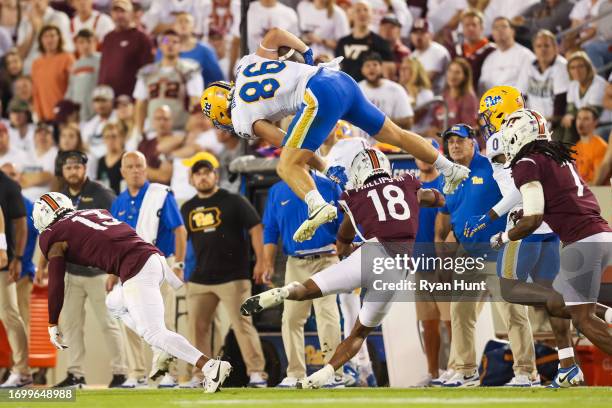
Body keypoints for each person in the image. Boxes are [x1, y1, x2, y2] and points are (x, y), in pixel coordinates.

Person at [201, 27, 470, 244]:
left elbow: (286, 143)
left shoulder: (241, 118)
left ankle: (316, 206)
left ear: (222, 115)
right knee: (395, 134)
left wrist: (322, 168)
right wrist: (306, 53)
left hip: (317, 95)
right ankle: (449, 168)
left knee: (286, 165)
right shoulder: (245, 66)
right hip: (337, 78)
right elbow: (274, 35)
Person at [241, 148, 445, 388]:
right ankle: (326, 373)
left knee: (306, 290)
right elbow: (438, 199)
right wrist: (420, 195)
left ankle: (284, 292)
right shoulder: (408, 184)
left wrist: (351, 243)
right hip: (396, 267)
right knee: (359, 333)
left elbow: (343, 241)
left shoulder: (355, 195)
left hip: (369, 254)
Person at [31, 191, 231, 393]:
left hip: (136, 267)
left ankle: (210, 366)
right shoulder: (93, 212)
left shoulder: (52, 234)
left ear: (43, 215)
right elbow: (111, 240)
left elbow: (56, 280)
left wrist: (53, 321)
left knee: (154, 332)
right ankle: (161, 349)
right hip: (152, 258)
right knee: (114, 303)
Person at [469, 87, 579, 386]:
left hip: (525, 220)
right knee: (547, 294)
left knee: (511, 290)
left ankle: (594, 312)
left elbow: (520, 185)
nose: (487, 122)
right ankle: (568, 364)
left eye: (488, 114)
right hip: (549, 223)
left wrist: (493, 217)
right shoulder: (535, 127)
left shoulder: (500, 138)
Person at [496, 108, 612, 386]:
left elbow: (534, 216)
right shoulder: (555, 156)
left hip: (582, 240)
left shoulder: (527, 162)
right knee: (560, 304)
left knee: (582, 319)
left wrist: (504, 237)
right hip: (601, 234)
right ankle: (571, 365)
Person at [433, 123, 537, 387]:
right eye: (450, 141)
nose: (454, 145)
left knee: (513, 312)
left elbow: (517, 194)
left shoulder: (493, 165)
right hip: (467, 253)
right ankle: (466, 370)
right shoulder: (447, 176)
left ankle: (526, 372)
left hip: (498, 249)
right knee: (460, 313)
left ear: (473, 142)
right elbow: (448, 217)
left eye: (460, 140)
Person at [39, 151, 127, 388]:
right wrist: (41, 264)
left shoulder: (102, 194)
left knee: (109, 323)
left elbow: (117, 229)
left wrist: (114, 269)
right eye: (68, 168)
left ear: (85, 169)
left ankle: (121, 372)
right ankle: (75, 373)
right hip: (70, 272)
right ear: (63, 171)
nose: (73, 171)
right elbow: (48, 232)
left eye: (77, 167)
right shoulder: (59, 197)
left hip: (99, 272)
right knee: (71, 325)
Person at [180, 158, 268, 388]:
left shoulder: (234, 201)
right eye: (197, 174)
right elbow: (185, 242)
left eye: (207, 173)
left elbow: (256, 227)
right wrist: (182, 269)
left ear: (215, 176)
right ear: (191, 179)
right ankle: (201, 376)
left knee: (243, 325)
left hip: (234, 277)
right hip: (199, 278)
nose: (202, 177)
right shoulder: (187, 207)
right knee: (197, 330)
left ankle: (257, 373)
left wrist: (261, 260)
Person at [111, 151, 187, 388]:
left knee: (161, 320)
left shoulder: (160, 195)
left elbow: (180, 231)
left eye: (139, 166)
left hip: (158, 264)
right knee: (127, 318)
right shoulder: (118, 202)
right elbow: (112, 241)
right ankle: (136, 372)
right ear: (122, 172)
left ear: (145, 169)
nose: (135, 170)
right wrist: (111, 273)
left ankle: (168, 372)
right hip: (127, 269)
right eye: (130, 166)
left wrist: (179, 264)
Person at [262, 170, 344, 388]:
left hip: (327, 259)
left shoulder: (328, 186)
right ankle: (295, 373)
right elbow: (270, 230)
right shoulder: (276, 191)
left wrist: (345, 249)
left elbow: (346, 220)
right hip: (295, 262)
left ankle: (333, 372)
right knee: (290, 318)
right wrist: (268, 263)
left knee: (327, 314)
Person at [413, 138, 451, 386]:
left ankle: (457, 369)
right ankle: (433, 372)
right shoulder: (409, 187)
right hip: (419, 263)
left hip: (444, 264)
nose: (424, 157)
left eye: (429, 152)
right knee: (428, 323)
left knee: (450, 320)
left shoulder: (446, 184)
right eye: (420, 152)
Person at [134, 29, 202, 135]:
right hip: (153, 131)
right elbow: (140, 104)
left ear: (180, 46)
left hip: (179, 130)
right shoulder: (146, 72)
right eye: (166, 41)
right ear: (160, 46)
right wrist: (139, 130)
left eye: (175, 42)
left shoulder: (189, 70)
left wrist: (190, 129)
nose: (170, 45)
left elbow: (196, 102)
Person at [0, 165, 29, 388]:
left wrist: (16, 257)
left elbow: (20, 225)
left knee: (10, 315)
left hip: (2, 263)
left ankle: (22, 371)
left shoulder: (8, 185)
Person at [98, 0, 153, 98]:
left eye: (123, 11)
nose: (119, 15)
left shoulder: (141, 38)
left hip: (130, 96)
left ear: (131, 14)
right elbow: (103, 66)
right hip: (108, 96)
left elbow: (147, 69)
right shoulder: (108, 37)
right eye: (116, 11)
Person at [516, 30, 569, 127]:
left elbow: (561, 101)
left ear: (555, 48)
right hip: (533, 124)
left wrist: (551, 128)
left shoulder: (562, 66)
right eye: (539, 46)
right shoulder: (529, 65)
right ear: (534, 49)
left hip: (555, 123)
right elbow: (521, 96)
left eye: (546, 46)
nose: (543, 49)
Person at [160, 12, 224, 88]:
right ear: (173, 26)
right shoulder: (163, 49)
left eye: (187, 21)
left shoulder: (205, 50)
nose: (183, 24)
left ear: (194, 27)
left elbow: (219, 81)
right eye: (180, 21)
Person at [334, 1, 394, 82]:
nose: (362, 13)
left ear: (372, 14)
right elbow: (337, 69)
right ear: (351, 15)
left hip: (370, 91)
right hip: (346, 88)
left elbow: (389, 74)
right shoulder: (342, 42)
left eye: (366, 10)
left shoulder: (381, 43)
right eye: (358, 10)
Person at [559, 51, 607, 144]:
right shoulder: (573, 84)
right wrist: (570, 114)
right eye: (572, 68)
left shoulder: (599, 84)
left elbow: (592, 113)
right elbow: (571, 109)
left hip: (602, 123)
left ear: (588, 68)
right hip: (584, 120)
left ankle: (567, 157)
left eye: (581, 66)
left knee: (573, 125)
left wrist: (572, 115)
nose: (577, 71)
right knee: (562, 126)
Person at [478, 16, 535, 94]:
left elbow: (525, 86)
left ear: (512, 31)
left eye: (504, 27)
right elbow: (483, 85)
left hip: (516, 102)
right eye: (496, 28)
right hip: (493, 103)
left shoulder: (526, 55)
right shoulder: (489, 59)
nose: (500, 30)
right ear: (492, 34)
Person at [358, 52, 414, 131]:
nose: (371, 68)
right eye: (367, 65)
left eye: (375, 64)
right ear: (362, 70)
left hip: (388, 142)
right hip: (360, 141)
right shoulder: (357, 89)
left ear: (381, 68)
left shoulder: (396, 89)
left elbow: (408, 122)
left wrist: (381, 122)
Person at [16, 0, 73, 74]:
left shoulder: (59, 17)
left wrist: (39, 27)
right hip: (28, 70)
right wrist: (32, 31)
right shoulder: (25, 21)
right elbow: (20, 54)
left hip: (53, 69)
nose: (36, 2)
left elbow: (61, 47)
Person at [31, 25, 75, 121]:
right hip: (43, 116)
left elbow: (73, 86)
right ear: (41, 40)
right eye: (46, 36)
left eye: (52, 36)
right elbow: (35, 91)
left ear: (59, 38)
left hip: (63, 115)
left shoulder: (67, 58)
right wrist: (37, 113)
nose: (49, 40)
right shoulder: (36, 63)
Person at [429, 58, 478, 137]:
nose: (452, 75)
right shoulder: (444, 95)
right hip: (440, 139)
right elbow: (434, 124)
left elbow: (466, 129)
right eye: (450, 71)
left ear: (465, 76)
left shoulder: (468, 98)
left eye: (457, 72)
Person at [449, 9, 496, 90]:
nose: (470, 28)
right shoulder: (457, 50)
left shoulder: (492, 50)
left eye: (474, 25)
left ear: (482, 27)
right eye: (467, 25)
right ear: (462, 29)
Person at [65, 28, 100, 122]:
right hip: (79, 115)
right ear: (76, 45)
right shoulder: (75, 65)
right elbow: (71, 89)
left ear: (95, 42)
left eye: (89, 41)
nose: (86, 45)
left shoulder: (103, 60)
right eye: (81, 42)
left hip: (97, 112)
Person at [410, 18, 451, 93]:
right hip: (419, 95)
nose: (418, 36)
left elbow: (427, 79)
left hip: (437, 97)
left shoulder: (438, 51)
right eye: (415, 33)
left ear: (431, 35)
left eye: (422, 32)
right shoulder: (413, 55)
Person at [399, 57, 434, 134]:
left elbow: (412, 121)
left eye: (406, 68)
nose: (402, 71)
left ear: (415, 71)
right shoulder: (401, 91)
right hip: (404, 135)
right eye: (401, 68)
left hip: (421, 136)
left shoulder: (426, 93)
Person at [573, 106, 608, 184]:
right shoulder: (574, 148)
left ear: (595, 122)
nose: (581, 122)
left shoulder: (601, 146)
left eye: (586, 119)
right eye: (579, 118)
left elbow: (597, 180)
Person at [80, 85, 116, 159]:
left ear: (112, 101)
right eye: (97, 100)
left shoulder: (118, 120)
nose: (100, 104)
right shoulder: (89, 123)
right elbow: (84, 145)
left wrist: (90, 149)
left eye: (104, 100)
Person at [96, 122, 126, 195]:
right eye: (107, 137)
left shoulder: (126, 158)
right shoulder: (101, 161)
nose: (110, 140)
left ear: (121, 138)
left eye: (114, 136)